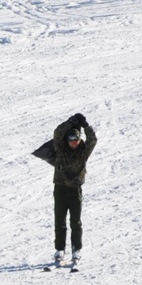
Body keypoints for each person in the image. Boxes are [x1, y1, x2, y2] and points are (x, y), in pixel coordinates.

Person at [51, 113, 96, 264]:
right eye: (70, 139)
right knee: (59, 221)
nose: (73, 143)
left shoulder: (83, 151)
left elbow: (93, 140)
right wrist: (69, 123)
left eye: (76, 139)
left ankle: (76, 249)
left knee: (75, 222)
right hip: (60, 189)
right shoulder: (60, 149)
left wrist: (86, 126)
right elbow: (57, 133)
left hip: (75, 190)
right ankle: (60, 249)